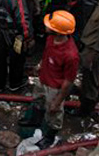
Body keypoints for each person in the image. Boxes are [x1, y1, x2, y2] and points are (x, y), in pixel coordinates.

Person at [19, 11, 79, 149]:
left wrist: (57, 102)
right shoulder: (51, 39)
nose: (45, 26)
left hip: (55, 88)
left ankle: (49, 137)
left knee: (54, 114)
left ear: (57, 31)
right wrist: (40, 66)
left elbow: (68, 81)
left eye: (49, 25)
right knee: (38, 101)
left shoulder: (70, 55)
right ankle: (34, 120)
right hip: (43, 79)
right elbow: (47, 55)